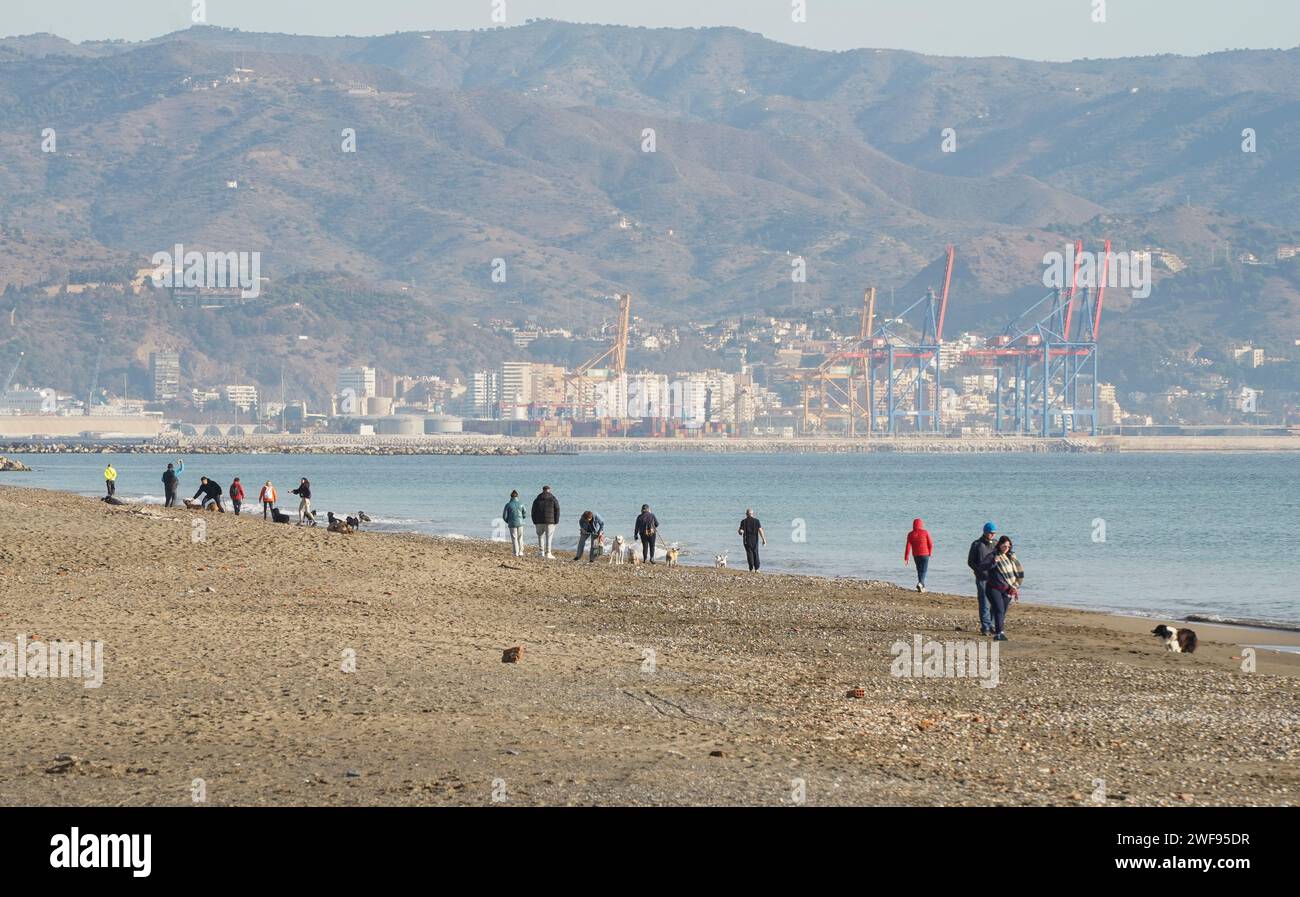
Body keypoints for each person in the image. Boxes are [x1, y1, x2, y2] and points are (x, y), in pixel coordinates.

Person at [979, 536, 1025, 641]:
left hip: (1008, 589)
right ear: (999, 545)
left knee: (1002, 612)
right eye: (1004, 546)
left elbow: (1019, 574)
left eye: (1008, 546)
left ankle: (997, 630)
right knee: (999, 610)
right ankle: (999, 633)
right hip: (993, 588)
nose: (1006, 548)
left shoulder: (1011, 557)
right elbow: (982, 567)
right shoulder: (992, 556)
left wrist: (1015, 587)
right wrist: (993, 562)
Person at [967, 522, 1000, 635]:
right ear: (985, 532)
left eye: (994, 533)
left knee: (995, 603)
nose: (993, 535)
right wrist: (979, 570)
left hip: (995, 579)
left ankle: (992, 625)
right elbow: (970, 562)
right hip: (982, 578)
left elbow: (1002, 557)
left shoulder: (996, 544)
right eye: (991, 533)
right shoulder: (976, 544)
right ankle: (985, 626)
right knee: (984, 603)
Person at [904, 518, 933, 593]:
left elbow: (908, 546)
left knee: (919, 570)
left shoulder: (910, 534)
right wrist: (930, 553)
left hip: (916, 555)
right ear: (921, 525)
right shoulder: (925, 532)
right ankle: (920, 584)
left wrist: (906, 558)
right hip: (925, 554)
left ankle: (922, 586)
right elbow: (931, 544)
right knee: (924, 570)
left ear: (913, 525)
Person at [531, 486, 560, 559]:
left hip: (539, 521)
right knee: (549, 537)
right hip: (550, 521)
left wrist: (534, 521)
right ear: (549, 490)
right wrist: (556, 521)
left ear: (543, 490)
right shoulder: (553, 498)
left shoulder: (537, 499)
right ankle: (548, 553)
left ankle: (541, 552)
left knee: (540, 536)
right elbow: (557, 509)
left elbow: (533, 511)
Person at [501, 490, 528, 558]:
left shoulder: (508, 505)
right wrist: (522, 519)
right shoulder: (521, 503)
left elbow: (504, 516)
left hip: (512, 524)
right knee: (520, 537)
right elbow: (524, 513)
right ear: (517, 496)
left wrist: (508, 521)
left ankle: (515, 552)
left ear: (511, 496)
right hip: (520, 523)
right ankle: (521, 552)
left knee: (514, 538)